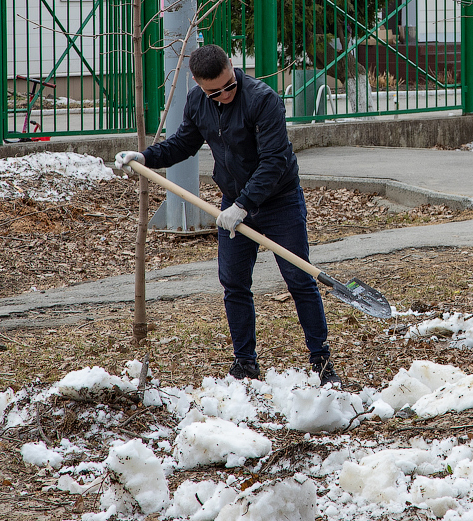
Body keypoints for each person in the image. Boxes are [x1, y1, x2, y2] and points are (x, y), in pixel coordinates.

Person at [115, 44, 338, 386]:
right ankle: (245, 363)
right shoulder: (197, 102)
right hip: (234, 202)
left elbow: (275, 161)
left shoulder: (263, 100)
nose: (223, 95)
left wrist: (243, 205)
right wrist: (145, 157)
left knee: (299, 280)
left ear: (233, 68)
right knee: (234, 284)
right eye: (213, 92)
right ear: (198, 84)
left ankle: (321, 361)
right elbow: (183, 144)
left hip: (279, 202)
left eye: (228, 86)